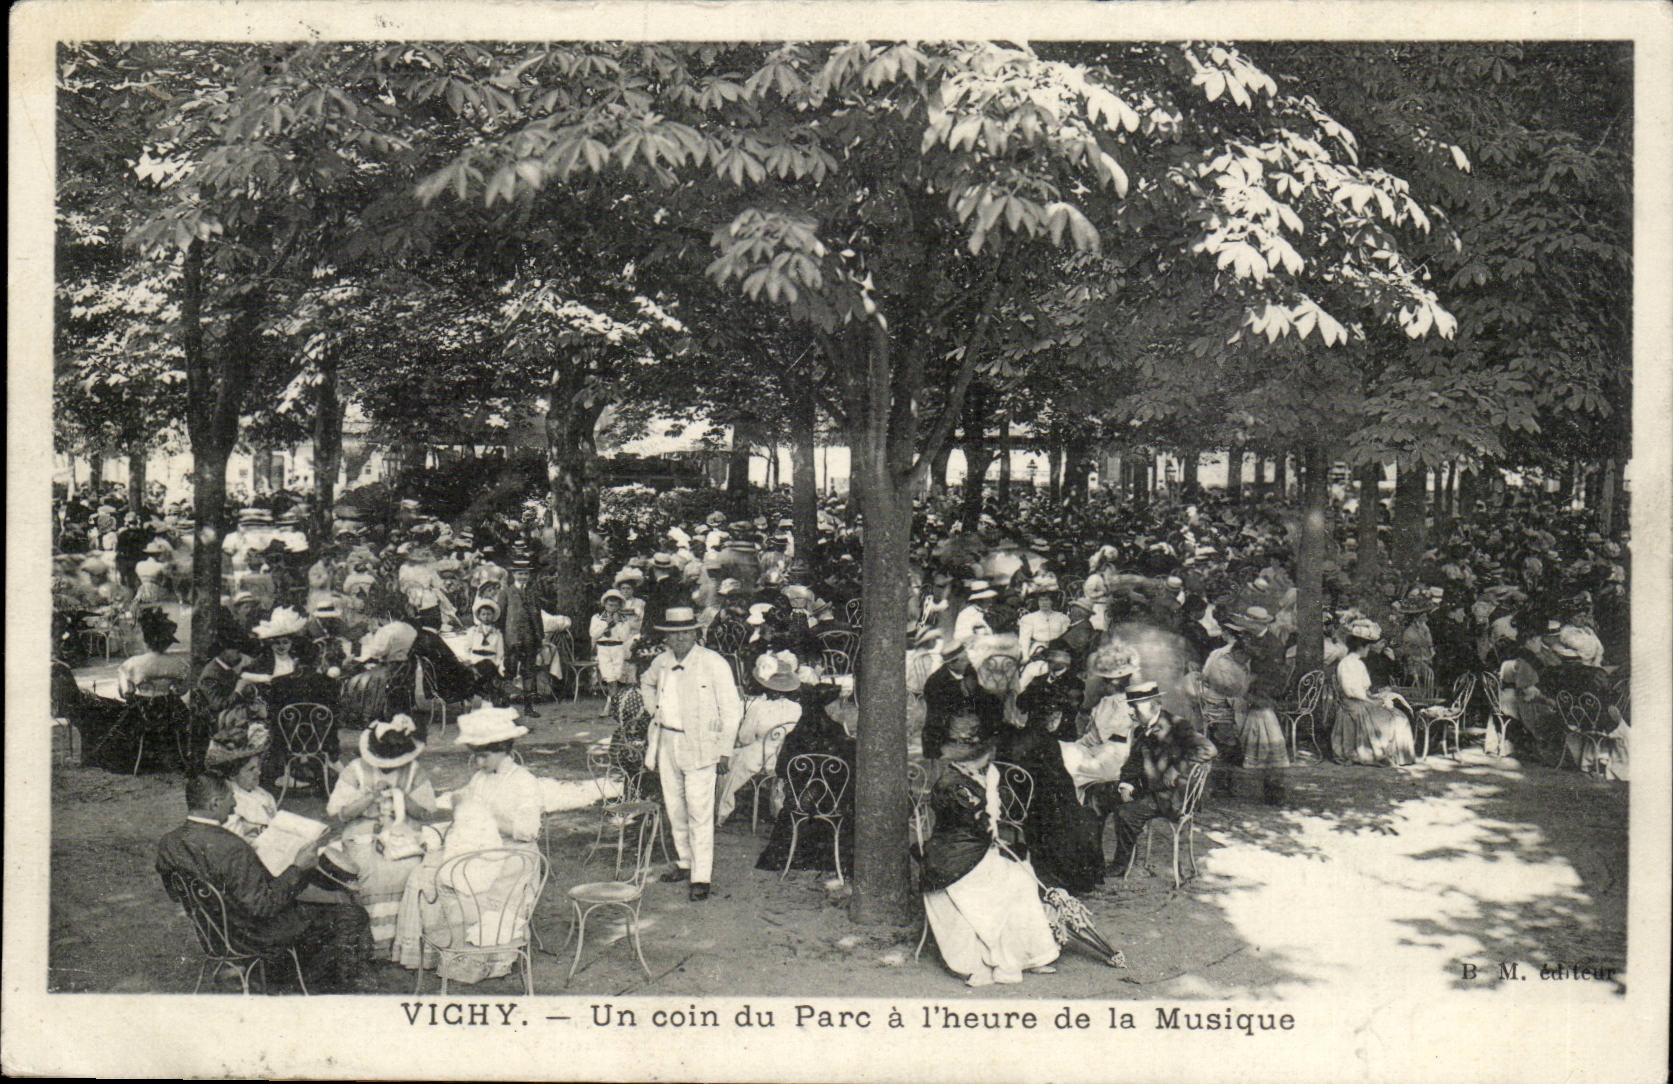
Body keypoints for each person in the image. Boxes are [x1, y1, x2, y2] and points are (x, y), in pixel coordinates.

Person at [156, 773, 372, 993]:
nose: (234, 805)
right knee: (351, 915)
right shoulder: (232, 847)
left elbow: (177, 893)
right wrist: (297, 868)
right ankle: (309, 985)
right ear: (214, 803)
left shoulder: (169, 843)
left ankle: (285, 973)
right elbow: (263, 906)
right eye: (231, 798)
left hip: (213, 935)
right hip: (252, 936)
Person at [391, 707, 543, 982]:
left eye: (484, 756)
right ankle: (444, 949)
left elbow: (527, 831)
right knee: (428, 871)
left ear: (503, 749)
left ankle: (478, 955)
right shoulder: (481, 778)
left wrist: (482, 814)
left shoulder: (524, 782)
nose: (479, 762)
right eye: (476, 755)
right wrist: (462, 807)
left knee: (463, 880)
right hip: (482, 845)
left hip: (513, 855)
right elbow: (467, 809)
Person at [919, 715, 1060, 987]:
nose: (989, 758)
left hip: (973, 853)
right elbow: (977, 824)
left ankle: (1026, 955)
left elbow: (987, 821)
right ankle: (1000, 957)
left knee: (1022, 876)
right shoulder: (952, 785)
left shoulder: (978, 776)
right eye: (984, 754)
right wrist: (991, 830)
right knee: (1016, 880)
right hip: (954, 861)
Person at [639, 606, 744, 901]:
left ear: (696, 633)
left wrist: (725, 749)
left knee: (699, 810)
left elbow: (732, 709)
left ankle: (701, 876)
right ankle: (684, 861)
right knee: (675, 807)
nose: (680, 639)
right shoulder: (662, 661)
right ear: (666, 638)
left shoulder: (713, 662)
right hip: (667, 741)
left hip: (700, 744)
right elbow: (646, 682)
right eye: (674, 634)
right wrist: (654, 711)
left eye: (686, 633)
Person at [327, 715, 438, 950]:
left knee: (411, 867)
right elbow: (341, 813)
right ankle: (376, 941)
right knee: (370, 869)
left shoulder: (413, 770)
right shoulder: (355, 769)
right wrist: (370, 796)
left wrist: (402, 796)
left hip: (402, 832)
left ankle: (404, 942)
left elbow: (425, 812)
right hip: (363, 833)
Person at [1107, 682, 1217, 871]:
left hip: (1172, 796)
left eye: (1134, 706)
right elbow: (1133, 763)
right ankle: (1090, 858)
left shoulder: (1177, 725)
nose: (1130, 712)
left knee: (1126, 813)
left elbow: (1209, 749)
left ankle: (1120, 865)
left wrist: (1177, 767)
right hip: (1151, 789)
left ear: (1154, 705)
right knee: (1100, 796)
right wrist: (1126, 784)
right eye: (1129, 706)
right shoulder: (1141, 729)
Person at [754, 676, 855, 878]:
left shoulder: (795, 735)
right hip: (833, 806)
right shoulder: (842, 738)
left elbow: (782, 770)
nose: (840, 708)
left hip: (800, 805)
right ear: (827, 708)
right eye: (837, 704)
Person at [716, 651, 803, 825]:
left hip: (758, 755)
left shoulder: (760, 707)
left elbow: (745, 737)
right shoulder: (796, 708)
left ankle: (720, 810)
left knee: (726, 763)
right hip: (780, 756)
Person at [1331, 618, 1418, 767]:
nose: (1368, 650)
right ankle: (1391, 754)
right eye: (1367, 647)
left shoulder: (1356, 662)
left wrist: (1376, 698)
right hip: (1355, 706)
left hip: (1362, 701)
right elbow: (1352, 692)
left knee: (1397, 714)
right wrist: (1374, 700)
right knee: (1397, 717)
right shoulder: (1348, 663)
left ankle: (1399, 755)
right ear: (1361, 647)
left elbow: (1362, 690)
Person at [202, 717, 279, 843]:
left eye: (258, 767)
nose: (258, 772)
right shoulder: (232, 801)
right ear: (232, 775)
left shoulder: (262, 794)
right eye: (251, 770)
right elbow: (232, 841)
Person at [590, 588, 640, 710]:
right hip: (603, 648)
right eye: (610, 604)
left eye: (615, 605)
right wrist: (607, 625)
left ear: (619, 606)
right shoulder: (597, 618)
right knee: (609, 676)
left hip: (617, 648)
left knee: (616, 676)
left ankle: (613, 703)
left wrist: (617, 624)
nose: (612, 607)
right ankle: (611, 703)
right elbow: (593, 633)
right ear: (605, 604)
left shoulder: (623, 620)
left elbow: (623, 637)